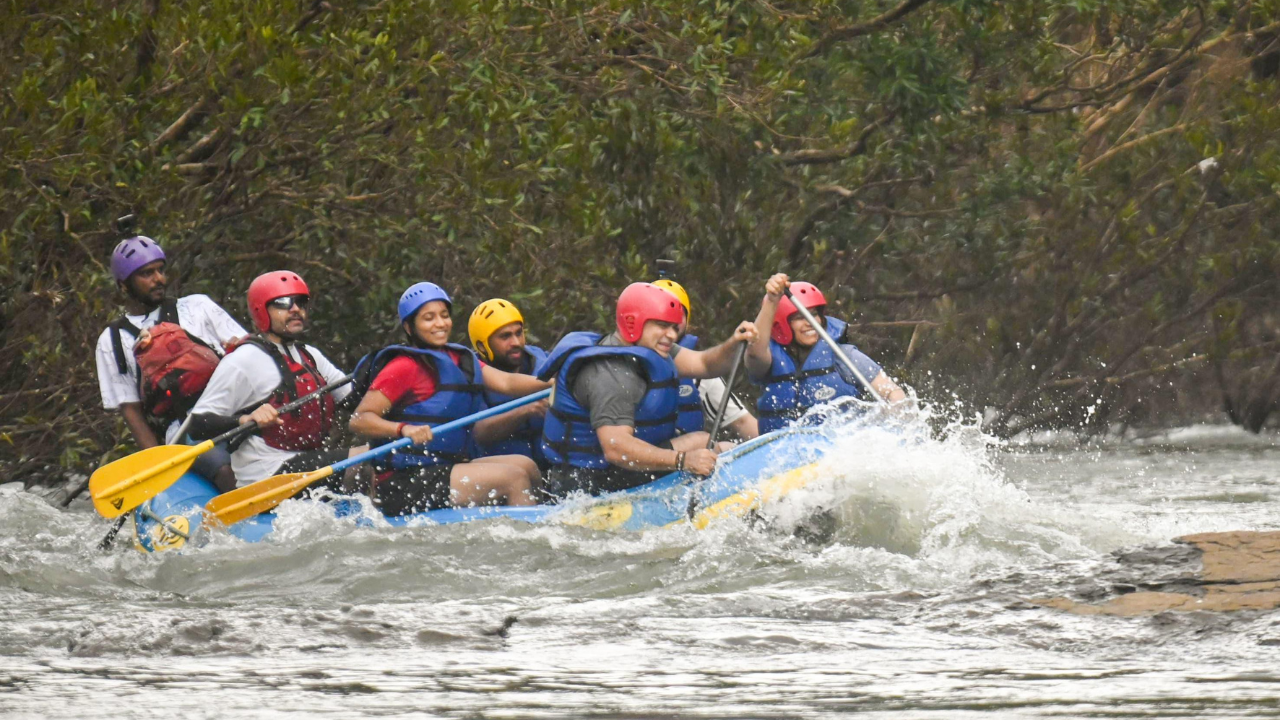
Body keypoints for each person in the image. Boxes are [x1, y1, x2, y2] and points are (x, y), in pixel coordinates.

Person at [538, 282, 759, 497]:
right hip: (590, 483)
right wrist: (684, 460)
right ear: (633, 323)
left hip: (615, 470)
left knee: (706, 441)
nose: (672, 334)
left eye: (674, 327)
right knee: (710, 448)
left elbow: (705, 364)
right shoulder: (609, 375)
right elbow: (616, 448)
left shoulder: (650, 349)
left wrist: (734, 342)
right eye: (662, 325)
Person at [348, 283, 549, 515]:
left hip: (442, 467)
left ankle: (540, 522)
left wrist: (555, 382)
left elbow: (507, 383)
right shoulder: (403, 367)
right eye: (429, 318)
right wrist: (403, 429)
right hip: (402, 482)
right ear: (409, 327)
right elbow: (359, 420)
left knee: (526, 465)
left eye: (444, 315)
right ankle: (525, 543)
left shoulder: (457, 359)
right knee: (513, 478)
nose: (440, 324)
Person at [94, 232, 246, 490]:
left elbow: (251, 356)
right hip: (185, 433)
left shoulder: (198, 307)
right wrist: (159, 470)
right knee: (224, 469)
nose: (159, 279)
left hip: (235, 414)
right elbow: (131, 410)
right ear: (124, 285)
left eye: (160, 271)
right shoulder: (112, 341)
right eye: (147, 274)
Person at [187, 271, 354, 492]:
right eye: (283, 303)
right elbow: (197, 425)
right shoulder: (243, 360)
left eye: (300, 302)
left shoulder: (309, 355)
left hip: (304, 462)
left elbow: (355, 400)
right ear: (261, 311)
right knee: (364, 460)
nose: (295, 309)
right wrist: (244, 419)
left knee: (383, 453)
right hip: (265, 475)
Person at [746, 274, 906, 433]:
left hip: (838, 447)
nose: (810, 322)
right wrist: (771, 301)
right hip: (782, 452)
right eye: (799, 317)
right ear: (781, 325)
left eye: (814, 314)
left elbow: (892, 391)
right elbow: (755, 351)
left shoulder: (843, 356)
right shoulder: (768, 360)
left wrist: (897, 422)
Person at [652, 278, 759, 441]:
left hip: (684, 463)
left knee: (721, 446)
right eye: (660, 314)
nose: (669, 321)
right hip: (640, 458)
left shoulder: (700, 376)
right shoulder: (622, 363)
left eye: (677, 314)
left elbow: (743, 423)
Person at [467, 298, 550, 465]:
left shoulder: (545, 361)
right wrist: (526, 410)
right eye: (505, 336)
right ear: (482, 347)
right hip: (502, 472)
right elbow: (480, 433)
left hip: (549, 467)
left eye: (518, 333)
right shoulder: (469, 374)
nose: (516, 342)